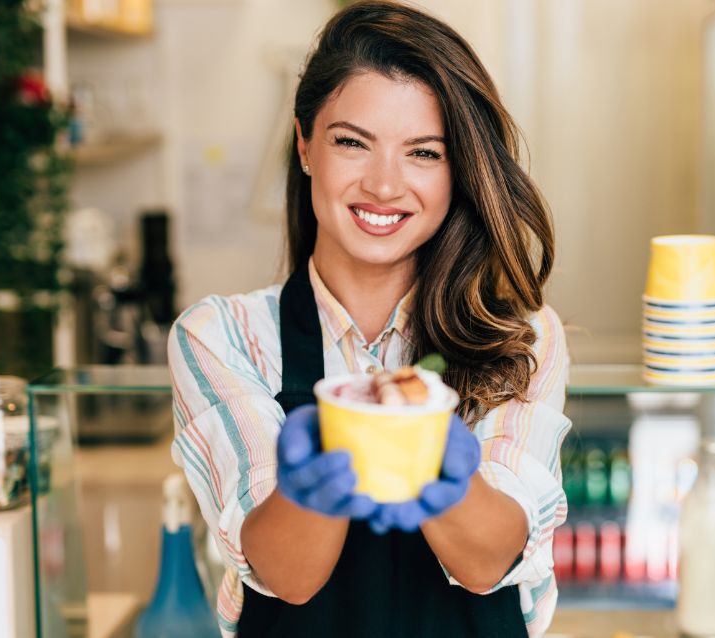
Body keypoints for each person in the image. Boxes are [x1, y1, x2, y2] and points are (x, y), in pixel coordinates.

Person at [168, 2, 570, 636]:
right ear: (304, 145)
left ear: (457, 170)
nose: (384, 186)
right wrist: (304, 490)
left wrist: (440, 465)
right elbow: (287, 578)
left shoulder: (522, 335)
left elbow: (487, 562)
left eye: (424, 153)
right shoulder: (221, 337)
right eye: (352, 142)